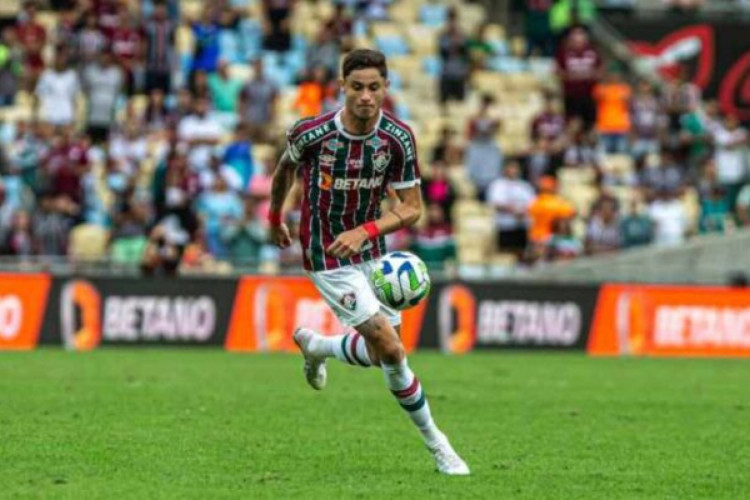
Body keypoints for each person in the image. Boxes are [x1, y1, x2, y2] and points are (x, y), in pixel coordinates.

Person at [268, 49, 469, 475]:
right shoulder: (312, 133)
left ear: (385, 89)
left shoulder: (397, 139)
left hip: (372, 250)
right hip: (326, 254)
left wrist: (368, 231)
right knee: (393, 349)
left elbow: (412, 207)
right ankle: (441, 447)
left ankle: (318, 346)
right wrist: (274, 216)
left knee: (382, 357)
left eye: (373, 87)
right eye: (356, 87)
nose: (365, 96)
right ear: (342, 87)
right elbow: (285, 170)